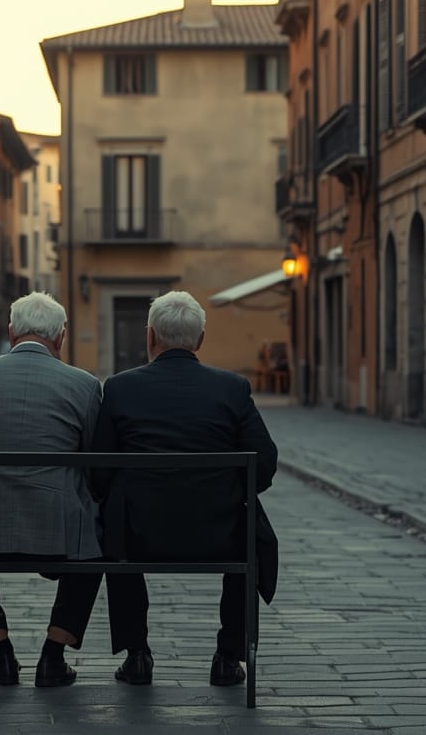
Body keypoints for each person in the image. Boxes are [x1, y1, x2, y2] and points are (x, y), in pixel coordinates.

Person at [92, 290, 278, 688]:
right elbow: (264, 464)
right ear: (200, 340)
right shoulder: (232, 388)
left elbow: (100, 472)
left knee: (115, 517)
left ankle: (137, 653)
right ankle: (228, 656)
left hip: (138, 537)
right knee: (249, 526)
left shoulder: (120, 388)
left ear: (150, 337)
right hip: (220, 535)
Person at [0, 292, 103, 688]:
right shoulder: (84, 385)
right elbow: (97, 467)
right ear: (61, 336)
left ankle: (1, 653)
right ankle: (54, 653)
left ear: (11, 333)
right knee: (99, 538)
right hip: (59, 531)